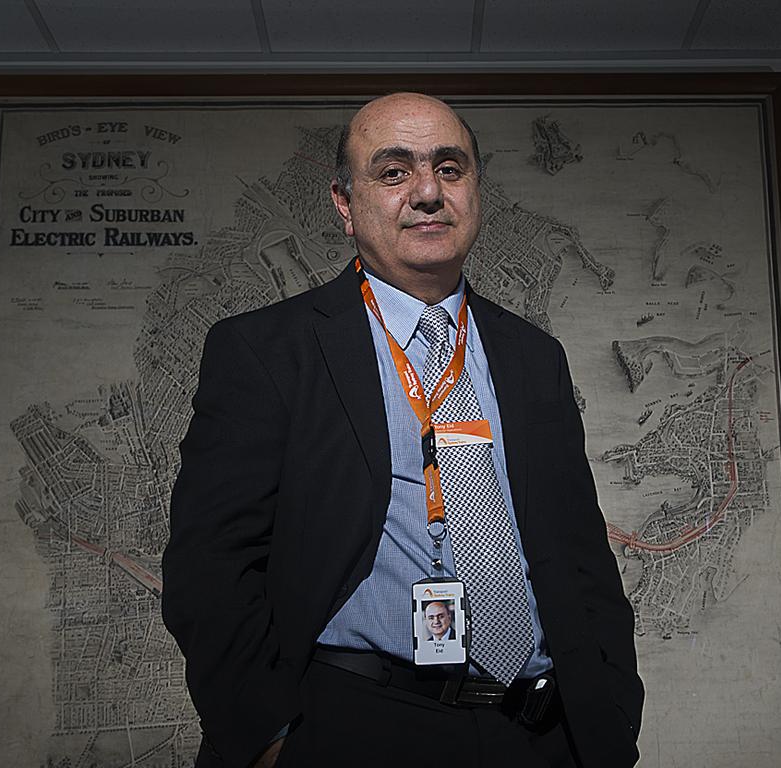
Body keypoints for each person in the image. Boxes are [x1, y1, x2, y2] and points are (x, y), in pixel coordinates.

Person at [163, 92, 644, 768]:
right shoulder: (268, 351)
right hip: (356, 728)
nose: (426, 192)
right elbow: (210, 567)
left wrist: (612, 717)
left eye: (450, 168)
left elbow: (581, 557)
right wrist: (270, 739)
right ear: (344, 203)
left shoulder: (535, 358)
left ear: (475, 188)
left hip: (540, 735)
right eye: (393, 172)